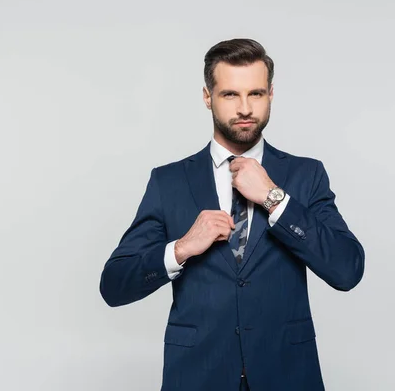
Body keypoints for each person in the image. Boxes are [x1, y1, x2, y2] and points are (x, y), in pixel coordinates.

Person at [99, 38, 365, 391]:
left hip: (286, 375)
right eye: (229, 95)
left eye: (255, 94)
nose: (245, 108)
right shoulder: (169, 182)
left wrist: (275, 199)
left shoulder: (306, 175)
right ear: (208, 97)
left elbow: (347, 269)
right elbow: (114, 285)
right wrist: (180, 248)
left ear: (271, 94)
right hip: (197, 376)